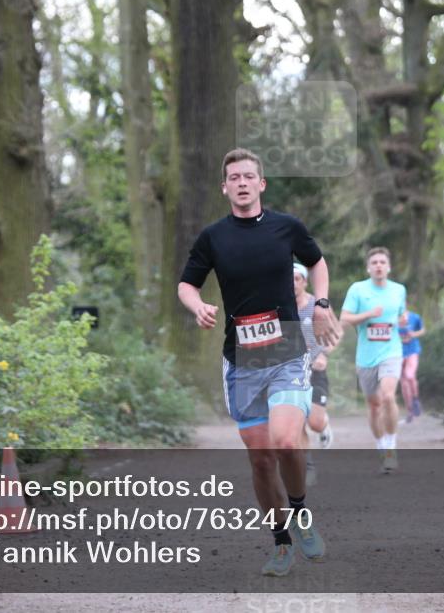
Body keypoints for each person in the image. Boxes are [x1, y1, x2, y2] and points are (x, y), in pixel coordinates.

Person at [177, 148, 342, 577]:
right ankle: (281, 542)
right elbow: (186, 284)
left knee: (286, 442)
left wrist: (322, 303)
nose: (242, 183)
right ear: (225, 187)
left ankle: (300, 512)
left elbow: (317, 262)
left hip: (286, 352)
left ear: (261, 184)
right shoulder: (213, 237)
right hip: (241, 360)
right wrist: (197, 305)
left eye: (249, 176)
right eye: (235, 177)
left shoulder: (287, 227)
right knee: (262, 459)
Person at [340, 247, 406, 474]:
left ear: (389, 267)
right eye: (374, 262)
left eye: (382, 262)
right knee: (374, 405)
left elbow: (401, 315)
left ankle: (391, 448)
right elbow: (344, 319)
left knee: (388, 396)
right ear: (368, 268)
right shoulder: (358, 289)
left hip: (391, 352)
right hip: (366, 357)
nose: (379, 266)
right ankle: (380, 445)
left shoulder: (399, 290)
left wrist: (402, 320)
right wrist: (368, 314)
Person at [293, 263, 337, 486]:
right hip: (291, 371)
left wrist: (324, 355)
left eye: (297, 279)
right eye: (288, 279)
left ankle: (324, 425)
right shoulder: (281, 307)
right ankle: (308, 466)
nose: (292, 284)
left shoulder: (316, 306)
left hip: (316, 369)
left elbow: (336, 333)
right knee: (296, 420)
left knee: (315, 423)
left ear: (305, 282)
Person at [398, 308, 426, 423]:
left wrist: (413, 334)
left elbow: (422, 330)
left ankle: (415, 399)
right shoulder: (391, 317)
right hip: (398, 351)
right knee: (404, 383)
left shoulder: (415, 317)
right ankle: (410, 411)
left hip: (412, 350)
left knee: (409, 375)